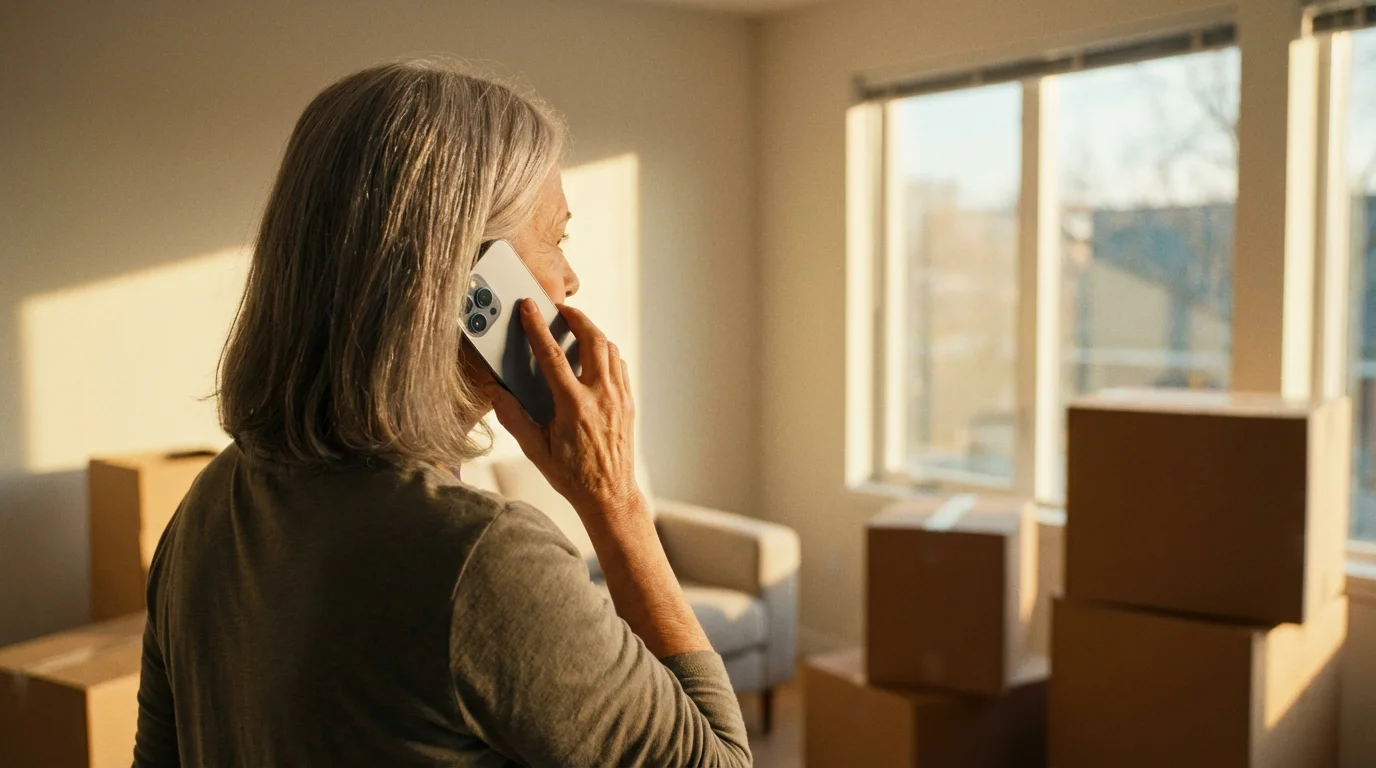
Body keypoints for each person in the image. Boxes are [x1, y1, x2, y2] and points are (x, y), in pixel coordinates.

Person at [132, 59, 752, 768]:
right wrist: (616, 503)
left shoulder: (207, 507)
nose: (570, 279)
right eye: (557, 239)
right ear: (467, 278)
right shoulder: (483, 560)